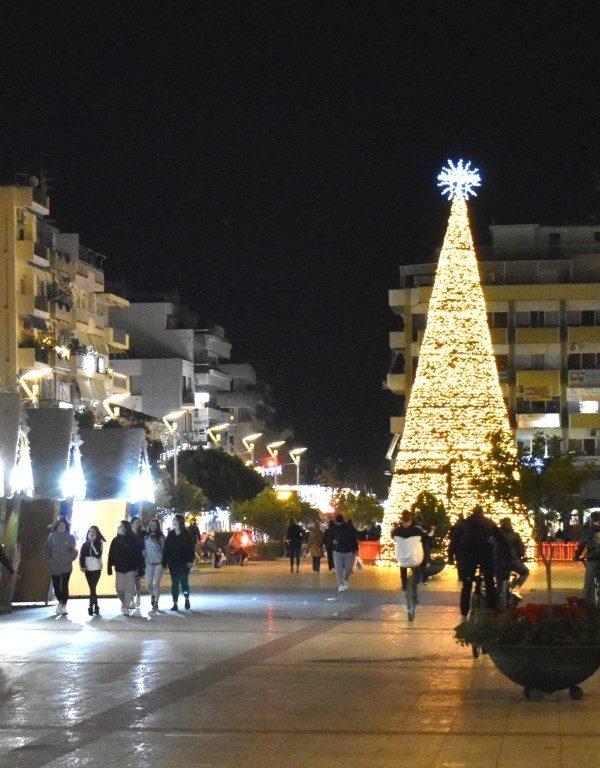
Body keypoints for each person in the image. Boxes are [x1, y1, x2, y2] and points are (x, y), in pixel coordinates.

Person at [448, 505, 511, 619]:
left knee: (466, 585)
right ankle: (492, 610)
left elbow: (454, 540)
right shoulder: (489, 522)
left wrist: (451, 557)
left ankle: (464, 613)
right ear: (482, 513)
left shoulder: (465, 523)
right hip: (485, 554)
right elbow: (501, 539)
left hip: (469, 555)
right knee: (489, 582)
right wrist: (508, 556)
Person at [392, 510, 429, 618]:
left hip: (402, 558)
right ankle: (414, 588)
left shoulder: (396, 531)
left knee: (403, 566)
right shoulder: (417, 530)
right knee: (416, 570)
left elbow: (393, 535)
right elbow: (425, 537)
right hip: (415, 559)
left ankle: (404, 585)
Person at [107, 520, 143, 616]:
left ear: (126, 528)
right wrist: (109, 566)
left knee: (129, 589)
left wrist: (140, 567)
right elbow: (111, 554)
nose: (120, 528)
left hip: (130, 568)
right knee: (119, 589)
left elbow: (138, 554)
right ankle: (124, 602)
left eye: (122, 527)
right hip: (119, 568)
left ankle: (126, 606)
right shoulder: (116, 540)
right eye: (119, 527)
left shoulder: (133, 539)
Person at [45, 517, 78, 616]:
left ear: (66, 526)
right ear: (56, 526)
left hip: (66, 566)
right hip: (54, 565)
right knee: (56, 586)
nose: (61, 527)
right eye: (60, 525)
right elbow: (47, 551)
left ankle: (64, 605)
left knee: (64, 586)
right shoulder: (51, 537)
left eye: (63, 525)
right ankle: (59, 601)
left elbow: (74, 551)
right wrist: (49, 561)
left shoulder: (70, 537)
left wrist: (69, 559)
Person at [162, 513, 195, 611]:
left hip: (184, 562)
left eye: (174, 519)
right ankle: (175, 603)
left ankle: (186, 598)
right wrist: (165, 563)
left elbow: (191, 548)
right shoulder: (171, 534)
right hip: (173, 563)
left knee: (184, 583)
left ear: (178, 521)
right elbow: (166, 549)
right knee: (175, 583)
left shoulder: (186, 534)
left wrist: (190, 560)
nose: (172, 520)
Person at [498, 517, 529, 599]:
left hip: (498, 561)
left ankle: (498, 593)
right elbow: (521, 549)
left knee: (498, 578)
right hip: (513, 560)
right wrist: (520, 555)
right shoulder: (515, 535)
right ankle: (515, 587)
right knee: (525, 572)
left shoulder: (495, 535)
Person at [574, 512, 600, 605]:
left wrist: (577, 556)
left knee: (589, 581)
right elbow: (581, 545)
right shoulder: (588, 533)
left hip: (592, 559)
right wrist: (576, 556)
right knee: (588, 581)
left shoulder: (588, 532)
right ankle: (586, 602)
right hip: (592, 560)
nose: (597, 523)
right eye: (596, 521)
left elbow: (581, 545)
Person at [79, 525, 106, 616]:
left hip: (96, 567)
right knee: (92, 588)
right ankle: (96, 606)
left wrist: (92, 544)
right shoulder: (84, 544)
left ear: (97, 533)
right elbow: (82, 555)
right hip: (88, 567)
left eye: (93, 532)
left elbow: (98, 554)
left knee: (93, 586)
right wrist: (82, 566)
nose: (91, 533)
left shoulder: (99, 543)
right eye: (90, 532)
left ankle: (91, 605)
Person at [331, 513, 359, 592]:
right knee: (338, 569)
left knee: (349, 568)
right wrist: (333, 541)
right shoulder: (333, 528)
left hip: (348, 550)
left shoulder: (349, 528)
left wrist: (356, 550)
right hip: (337, 550)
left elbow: (354, 540)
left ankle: (344, 580)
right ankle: (340, 585)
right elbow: (329, 538)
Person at [144, 518, 165, 610]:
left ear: (157, 527)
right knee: (148, 583)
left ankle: (156, 601)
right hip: (149, 563)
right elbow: (143, 548)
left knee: (156, 583)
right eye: (151, 525)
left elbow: (165, 550)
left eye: (155, 525)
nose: (153, 527)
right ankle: (152, 595)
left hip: (158, 563)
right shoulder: (145, 537)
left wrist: (158, 543)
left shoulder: (161, 537)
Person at [129, 516, 145, 608]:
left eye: (139, 523)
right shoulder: (128, 534)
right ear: (132, 523)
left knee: (137, 580)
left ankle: (138, 596)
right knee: (130, 580)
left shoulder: (141, 534)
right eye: (136, 522)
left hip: (138, 559)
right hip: (130, 559)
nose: (138, 524)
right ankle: (131, 599)